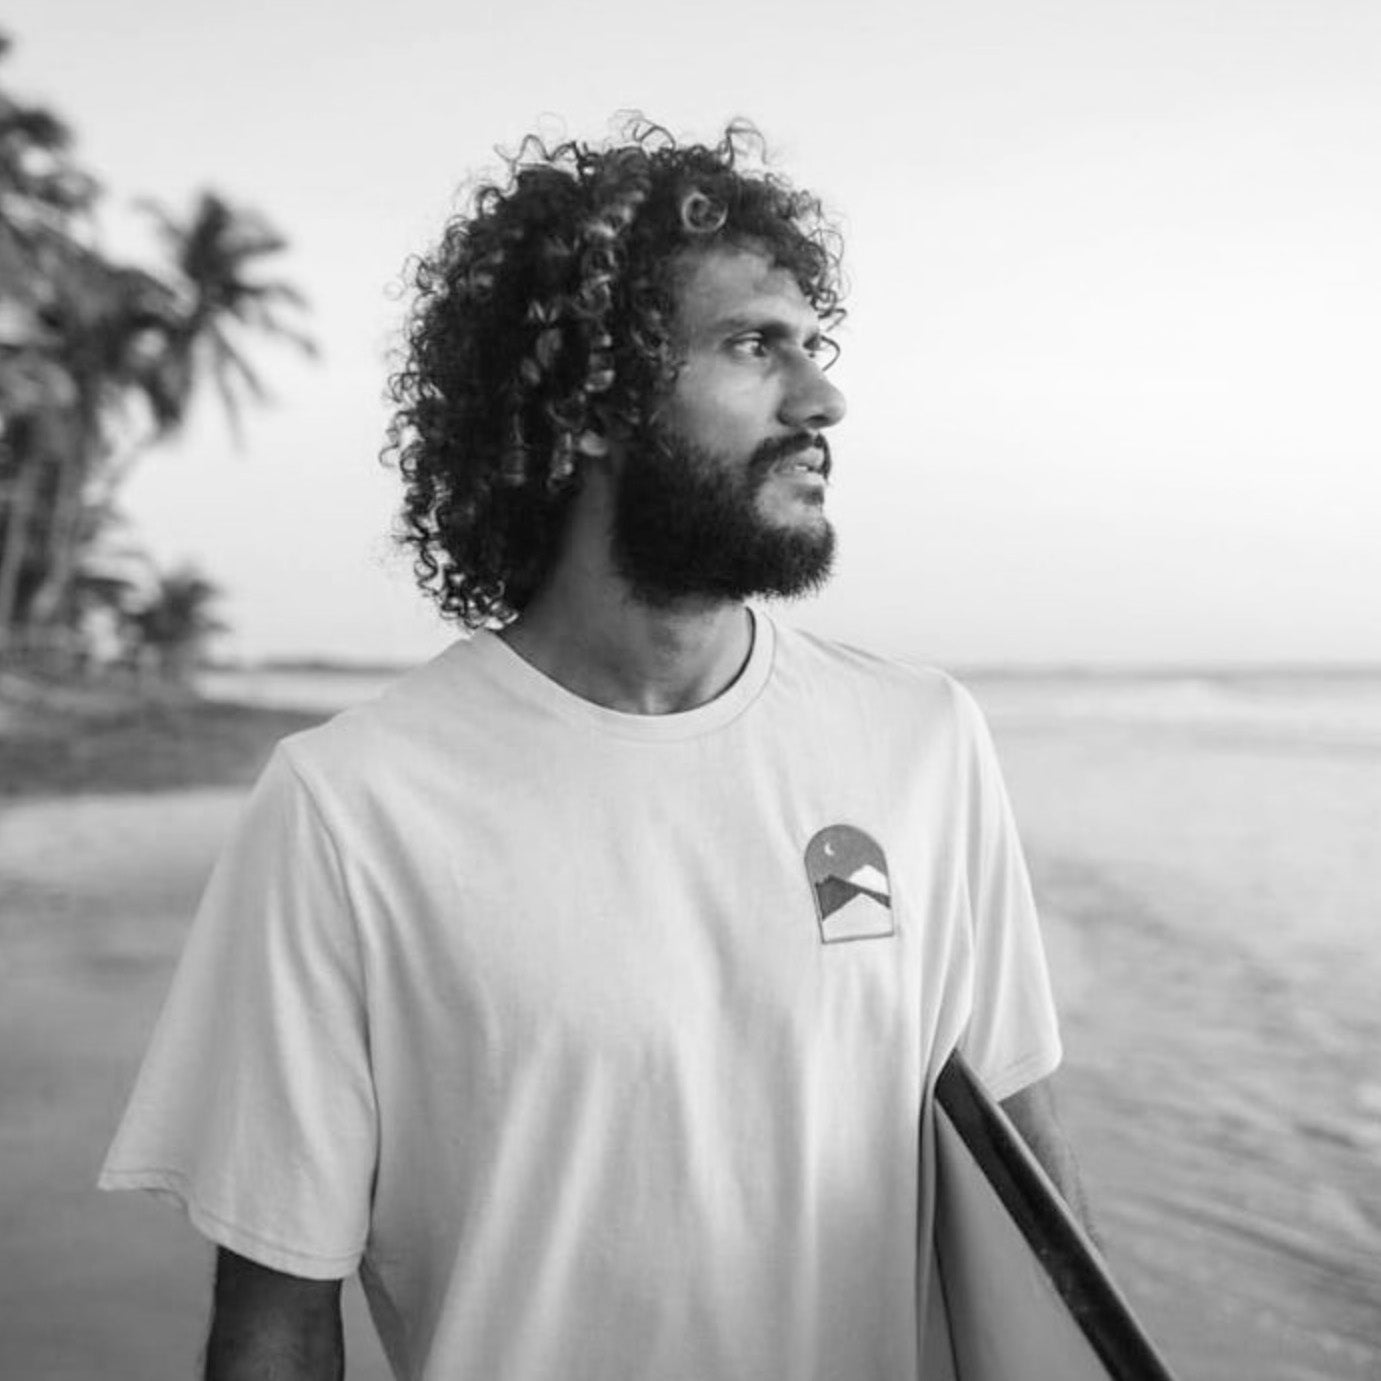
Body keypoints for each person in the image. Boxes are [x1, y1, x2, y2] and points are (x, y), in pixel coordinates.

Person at [100, 119, 1091, 1381]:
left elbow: (1026, 1198)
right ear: (586, 408)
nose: (822, 395)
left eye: (813, 345)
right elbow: (275, 1326)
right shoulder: (352, 808)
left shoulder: (921, 745)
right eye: (751, 345)